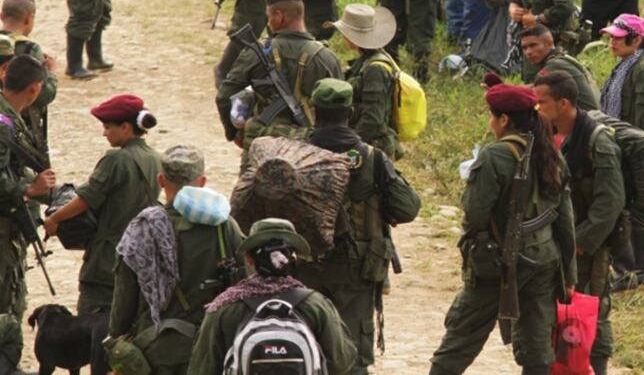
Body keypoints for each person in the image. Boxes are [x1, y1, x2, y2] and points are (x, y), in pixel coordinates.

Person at [429, 78, 575, 375]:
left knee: (461, 338)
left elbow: (475, 215)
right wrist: (569, 274)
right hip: (545, 259)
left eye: (492, 116)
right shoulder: (551, 153)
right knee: (537, 345)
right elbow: (565, 219)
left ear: (504, 119)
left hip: (498, 262)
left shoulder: (495, 155)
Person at [298, 78, 421, 375]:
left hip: (304, 265)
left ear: (315, 111)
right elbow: (408, 208)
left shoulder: (295, 153)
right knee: (351, 353)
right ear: (350, 113)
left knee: (304, 346)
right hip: (357, 267)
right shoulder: (372, 157)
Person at [108, 146, 245, 374]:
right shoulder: (223, 226)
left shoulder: (141, 228)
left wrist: (116, 341)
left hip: (152, 348)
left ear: (161, 181)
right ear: (202, 182)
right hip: (211, 346)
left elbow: (124, 298)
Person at [534, 71, 624, 375]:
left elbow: (610, 203)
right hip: (558, 244)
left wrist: (579, 245)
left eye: (542, 102)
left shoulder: (597, 142)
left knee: (591, 310)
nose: (537, 108)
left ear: (563, 103)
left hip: (587, 247)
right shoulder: (552, 135)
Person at [188, 219, 358, 374]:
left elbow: (202, 368)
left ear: (249, 259)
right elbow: (342, 361)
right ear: (294, 258)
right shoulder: (316, 305)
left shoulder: (224, 307)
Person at [44, 94, 162, 315]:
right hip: (141, 253)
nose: (104, 133)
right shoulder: (155, 158)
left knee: (92, 323)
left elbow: (86, 199)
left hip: (107, 259)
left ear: (125, 127)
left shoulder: (116, 159)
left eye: (108, 127)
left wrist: (54, 219)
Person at [216, 0, 343, 148]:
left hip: (262, 143)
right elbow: (341, 106)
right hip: (311, 146)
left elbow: (224, 96)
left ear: (279, 16)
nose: (268, 22)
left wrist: (234, 133)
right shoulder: (327, 57)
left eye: (269, 17)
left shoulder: (257, 52)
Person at [0, 56, 57, 353]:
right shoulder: (4, 124)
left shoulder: (9, 117)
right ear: (35, 89)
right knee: (7, 298)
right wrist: (28, 188)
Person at [335, 4, 404, 160]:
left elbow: (373, 118)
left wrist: (349, 144)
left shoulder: (375, 69)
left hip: (372, 147)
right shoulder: (365, 61)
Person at [0, 0, 57, 149]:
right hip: (21, 127)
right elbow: (44, 94)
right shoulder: (30, 48)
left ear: (1, 16)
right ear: (29, 18)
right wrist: (51, 73)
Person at [599, 14, 644, 151]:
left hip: (634, 153)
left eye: (618, 38)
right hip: (617, 146)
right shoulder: (623, 67)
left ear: (637, 40)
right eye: (611, 37)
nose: (613, 42)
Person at [523, 26, 600, 111]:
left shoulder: (555, 64)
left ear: (549, 43)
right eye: (525, 48)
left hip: (590, 119)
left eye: (533, 45)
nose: (528, 52)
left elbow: (532, 91)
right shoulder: (560, 57)